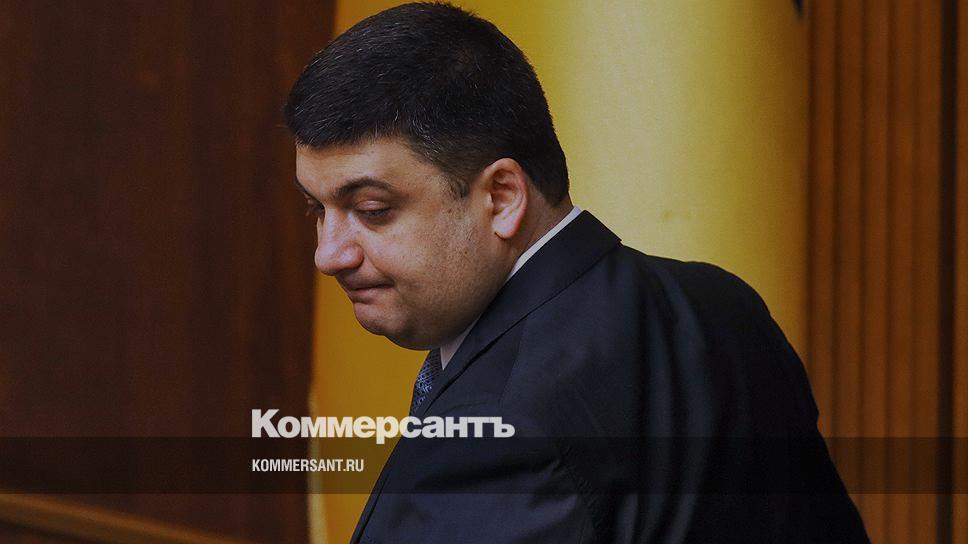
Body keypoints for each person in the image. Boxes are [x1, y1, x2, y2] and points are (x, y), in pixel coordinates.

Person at [284, 3, 870, 542]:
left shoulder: (497, 433)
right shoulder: (723, 304)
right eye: (317, 209)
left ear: (502, 197)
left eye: (372, 210)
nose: (328, 255)